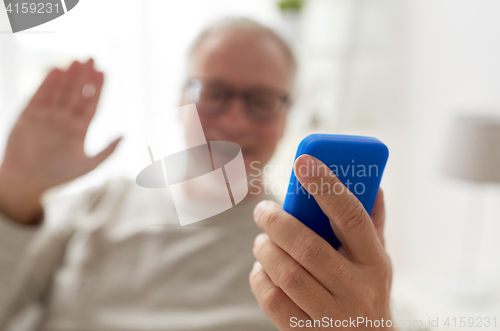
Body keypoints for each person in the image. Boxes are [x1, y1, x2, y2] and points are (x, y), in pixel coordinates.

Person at [0, 18, 392, 330]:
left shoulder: (310, 245)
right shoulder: (95, 205)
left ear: (286, 115)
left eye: (262, 101)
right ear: (180, 98)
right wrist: (14, 193)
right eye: (214, 93)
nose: (235, 119)